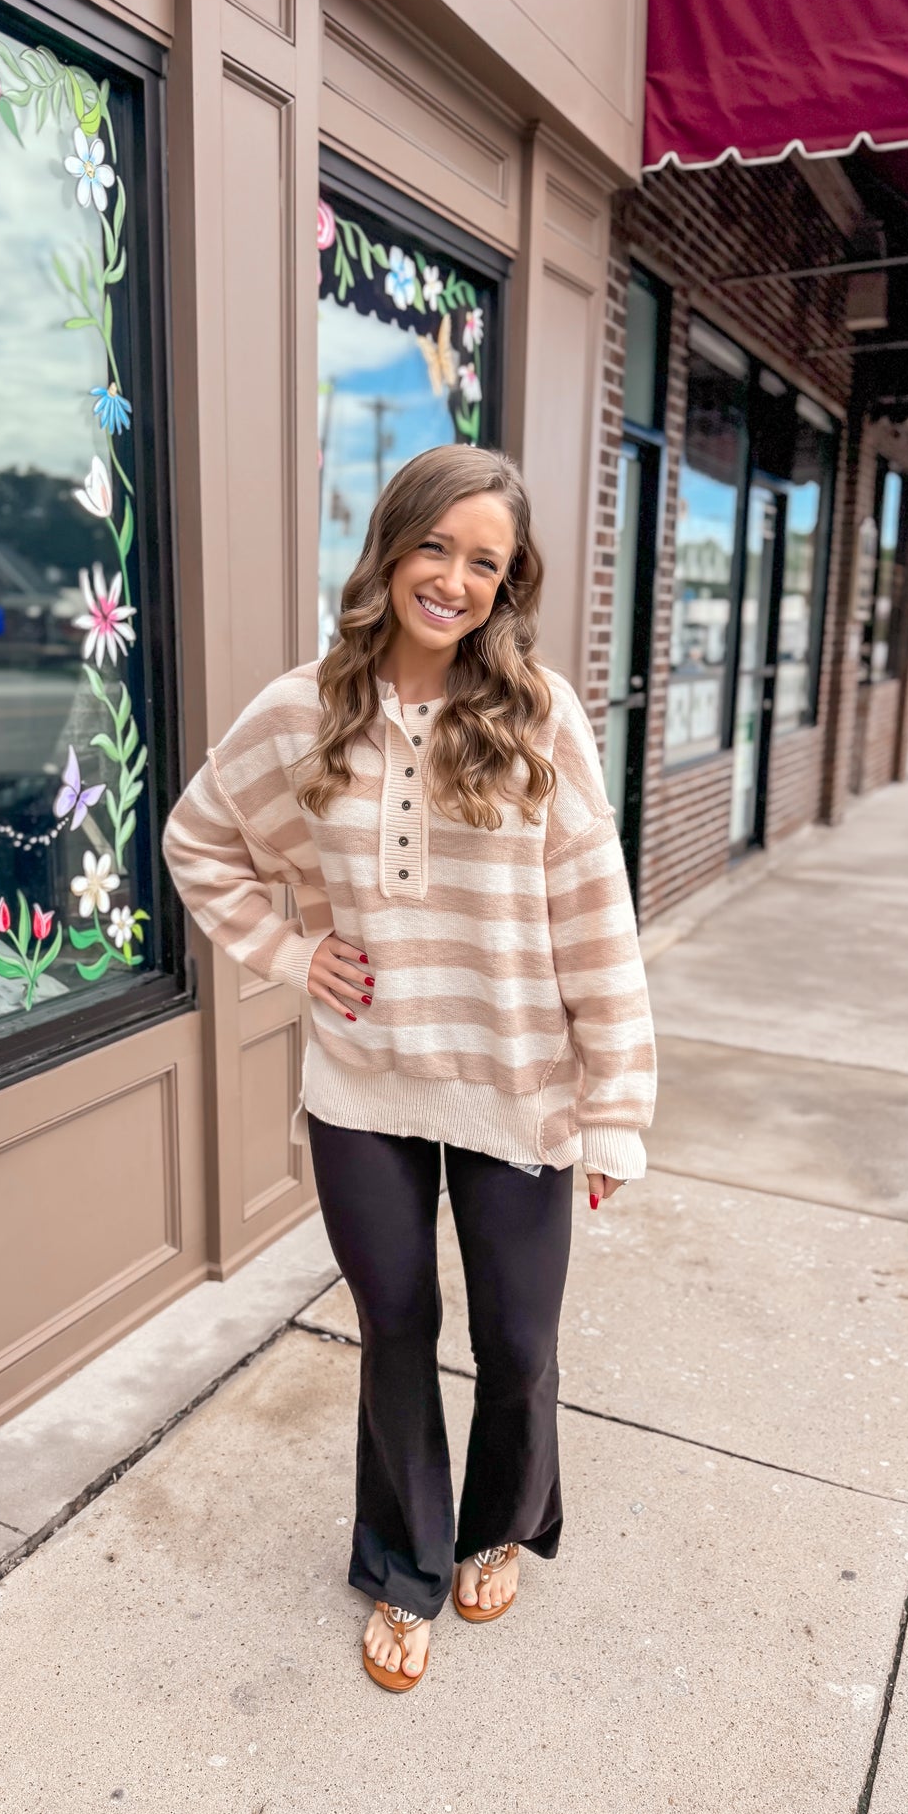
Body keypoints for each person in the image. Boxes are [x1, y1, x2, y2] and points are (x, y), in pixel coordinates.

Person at [162, 445, 655, 1692]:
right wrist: (289, 951)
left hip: (516, 1085)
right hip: (362, 1086)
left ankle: (501, 1525)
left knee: (517, 1344)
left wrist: (613, 1105)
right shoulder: (301, 712)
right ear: (390, 547)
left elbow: (597, 914)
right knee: (393, 1327)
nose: (453, 579)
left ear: (507, 583)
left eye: (483, 561)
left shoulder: (537, 715)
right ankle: (405, 1566)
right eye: (435, 546)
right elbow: (198, 842)